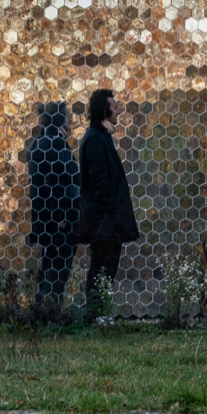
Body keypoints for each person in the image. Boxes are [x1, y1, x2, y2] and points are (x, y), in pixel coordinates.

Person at [75, 87, 139, 318]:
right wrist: (112, 210)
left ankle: (99, 313)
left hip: (107, 220)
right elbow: (100, 181)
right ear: (104, 111)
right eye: (115, 107)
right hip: (103, 221)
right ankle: (95, 314)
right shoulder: (94, 139)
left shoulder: (100, 137)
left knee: (107, 269)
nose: (118, 111)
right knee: (102, 268)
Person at [26, 101, 79, 317]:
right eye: (67, 116)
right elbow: (64, 181)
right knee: (59, 266)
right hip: (60, 220)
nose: (70, 120)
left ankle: (39, 309)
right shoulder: (57, 144)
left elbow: (39, 186)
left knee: (47, 264)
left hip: (43, 219)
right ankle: (51, 313)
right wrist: (65, 214)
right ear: (61, 120)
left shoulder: (37, 143)